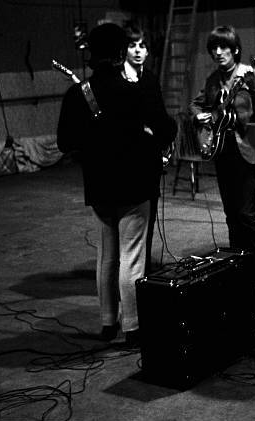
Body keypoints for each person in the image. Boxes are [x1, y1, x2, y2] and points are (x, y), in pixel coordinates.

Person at [57, 23, 177, 345]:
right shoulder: (134, 91)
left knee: (106, 256)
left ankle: (108, 322)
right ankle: (133, 327)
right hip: (134, 184)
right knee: (132, 256)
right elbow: (166, 129)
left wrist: (93, 142)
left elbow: (65, 142)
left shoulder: (78, 93)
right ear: (121, 53)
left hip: (98, 185)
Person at [189, 25, 255, 286]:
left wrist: (254, 87)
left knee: (245, 214)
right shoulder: (213, 80)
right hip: (222, 150)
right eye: (214, 48)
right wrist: (198, 114)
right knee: (230, 214)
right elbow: (197, 103)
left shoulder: (253, 73)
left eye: (223, 47)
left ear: (235, 49)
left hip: (245, 148)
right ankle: (238, 264)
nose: (218, 52)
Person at [122, 24, 172, 274]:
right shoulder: (121, 80)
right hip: (130, 160)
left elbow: (159, 116)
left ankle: (144, 274)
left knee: (149, 217)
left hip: (150, 156)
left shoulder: (149, 78)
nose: (138, 50)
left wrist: (162, 141)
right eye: (132, 45)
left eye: (142, 46)